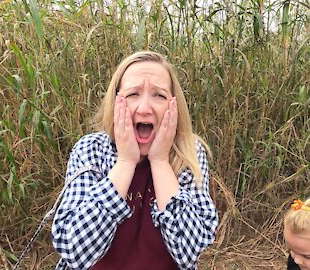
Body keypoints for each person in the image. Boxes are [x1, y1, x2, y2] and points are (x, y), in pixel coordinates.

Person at [51, 51, 219, 270]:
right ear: (115, 101)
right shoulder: (90, 149)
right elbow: (75, 251)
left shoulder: (189, 153)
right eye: (132, 94)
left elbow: (189, 251)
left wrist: (160, 162)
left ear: (173, 107)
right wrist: (125, 163)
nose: (144, 108)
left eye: (159, 95)